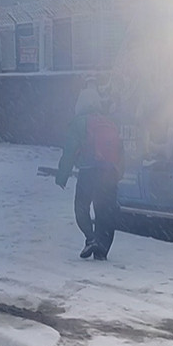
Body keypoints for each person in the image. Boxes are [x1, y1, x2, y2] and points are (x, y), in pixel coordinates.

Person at [56, 88, 124, 261]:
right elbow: (120, 150)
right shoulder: (110, 123)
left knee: (81, 207)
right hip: (109, 173)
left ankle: (91, 238)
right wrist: (118, 173)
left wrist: (62, 175)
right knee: (105, 212)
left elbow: (70, 151)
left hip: (89, 171)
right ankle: (101, 250)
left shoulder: (78, 123)